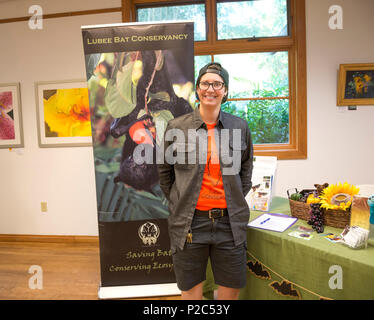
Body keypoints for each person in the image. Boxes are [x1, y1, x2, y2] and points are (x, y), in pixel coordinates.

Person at [157, 62, 254, 300]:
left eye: (217, 84)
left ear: (226, 90)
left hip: (229, 225)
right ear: (198, 89)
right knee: (191, 294)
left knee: (229, 294)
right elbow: (165, 173)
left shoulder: (239, 127)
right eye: (205, 83)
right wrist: (182, 200)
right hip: (190, 225)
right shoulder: (176, 127)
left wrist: (230, 199)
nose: (210, 89)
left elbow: (246, 171)